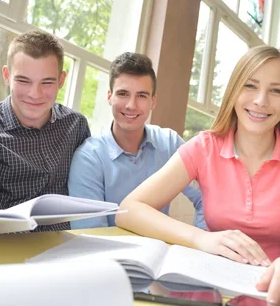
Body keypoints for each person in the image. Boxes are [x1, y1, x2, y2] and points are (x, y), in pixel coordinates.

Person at [117, 45, 280, 306]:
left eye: (277, 90)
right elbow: (129, 209)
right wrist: (202, 238)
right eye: (250, 86)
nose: (261, 100)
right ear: (234, 91)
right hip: (213, 293)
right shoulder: (204, 147)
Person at [68, 52, 205, 229]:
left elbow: (208, 199)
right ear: (110, 96)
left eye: (141, 95)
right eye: (123, 93)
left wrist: (201, 245)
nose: (131, 105)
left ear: (153, 101)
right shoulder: (88, 158)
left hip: (161, 251)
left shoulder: (170, 144)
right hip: (110, 255)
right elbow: (91, 235)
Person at [0, 30, 90, 231]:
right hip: (7, 248)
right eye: (23, 81)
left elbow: (85, 198)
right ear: (7, 76)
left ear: (61, 80)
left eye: (47, 82)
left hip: (66, 246)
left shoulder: (76, 126)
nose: (34, 94)